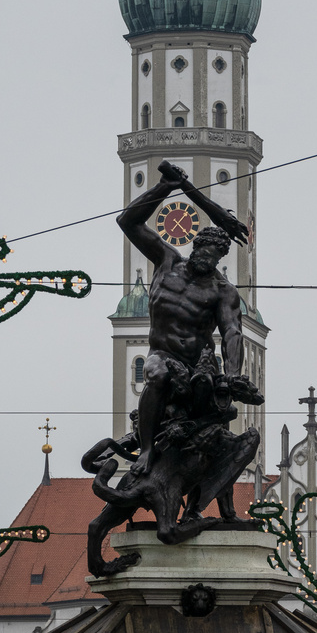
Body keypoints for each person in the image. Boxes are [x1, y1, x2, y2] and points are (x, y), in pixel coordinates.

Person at [116, 160, 253, 476]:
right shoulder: (166, 262)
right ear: (195, 246)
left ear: (221, 258)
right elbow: (128, 222)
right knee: (158, 374)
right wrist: (166, 187)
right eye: (205, 251)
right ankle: (147, 450)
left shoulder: (222, 291)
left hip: (197, 365)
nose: (209, 258)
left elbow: (232, 332)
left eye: (216, 256)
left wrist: (232, 373)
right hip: (161, 355)